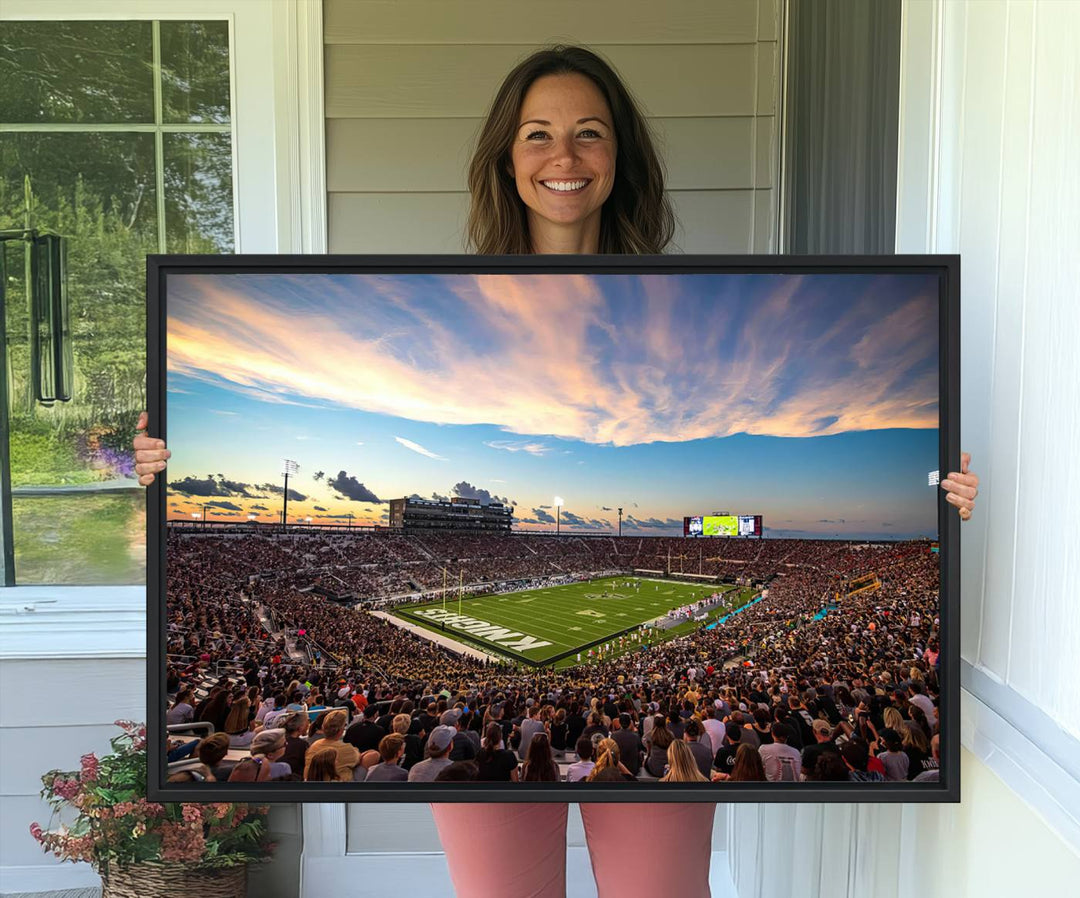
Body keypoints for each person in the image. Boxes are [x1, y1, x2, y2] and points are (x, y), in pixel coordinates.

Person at [135, 42, 980, 898]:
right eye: (537, 134)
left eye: (590, 133)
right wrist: (159, 463)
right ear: (506, 157)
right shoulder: (455, 294)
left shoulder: (676, 297)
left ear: (622, 157)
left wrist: (946, 502)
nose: (564, 157)